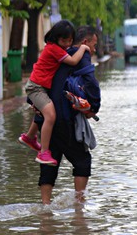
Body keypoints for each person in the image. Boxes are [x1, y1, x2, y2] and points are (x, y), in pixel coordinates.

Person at [34, 25, 101, 205]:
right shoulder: (81, 55)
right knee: (82, 161)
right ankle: (79, 207)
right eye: (94, 45)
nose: (94, 49)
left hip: (46, 117)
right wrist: (94, 106)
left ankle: (45, 208)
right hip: (65, 119)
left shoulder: (56, 54)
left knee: (49, 160)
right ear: (85, 42)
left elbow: (38, 80)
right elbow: (91, 81)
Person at [18, 20, 90, 165]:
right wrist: (83, 48)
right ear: (55, 37)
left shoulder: (56, 48)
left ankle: (30, 136)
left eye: (70, 40)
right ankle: (44, 153)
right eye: (64, 40)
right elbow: (73, 61)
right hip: (36, 87)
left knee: (41, 112)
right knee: (50, 115)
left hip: (40, 86)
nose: (67, 44)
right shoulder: (54, 49)